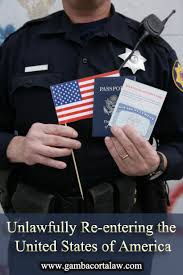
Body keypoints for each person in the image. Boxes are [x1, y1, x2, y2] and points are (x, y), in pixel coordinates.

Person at [0, 0, 183, 213]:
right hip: (38, 230)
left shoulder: (153, 52)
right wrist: (15, 147)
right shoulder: (18, 47)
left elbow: (179, 140)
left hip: (125, 231)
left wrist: (159, 163)